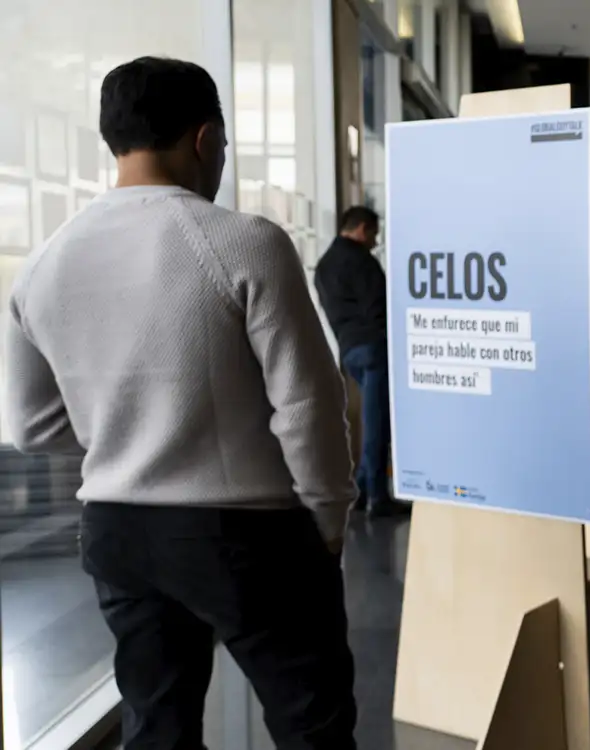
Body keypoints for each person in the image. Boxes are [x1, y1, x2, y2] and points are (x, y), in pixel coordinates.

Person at [3, 57, 358, 749]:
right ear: (206, 139)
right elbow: (308, 403)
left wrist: (125, 426)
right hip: (247, 532)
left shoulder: (43, 264)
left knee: (157, 727)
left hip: (117, 530)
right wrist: (327, 516)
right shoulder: (246, 241)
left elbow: (31, 427)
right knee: (312, 724)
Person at [314, 206, 404, 518]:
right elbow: (380, 305)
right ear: (363, 228)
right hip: (374, 349)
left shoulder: (324, 264)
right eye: (374, 235)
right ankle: (377, 496)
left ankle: (364, 490)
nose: (375, 242)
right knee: (377, 423)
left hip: (348, 349)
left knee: (371, 417)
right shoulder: (362, 261)